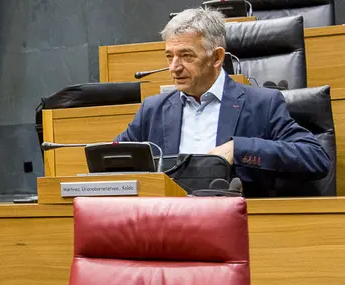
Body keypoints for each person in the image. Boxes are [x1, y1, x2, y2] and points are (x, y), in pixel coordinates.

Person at [115, 8, 330, 198]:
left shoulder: (261, 105)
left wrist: (239, 149)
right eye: (169, 56)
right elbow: (112, 162)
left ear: (217, 58)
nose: (174, 67)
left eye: (186, 56)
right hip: (166, 223)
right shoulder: (153, 110)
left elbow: (315, 157)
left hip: (234, 225)